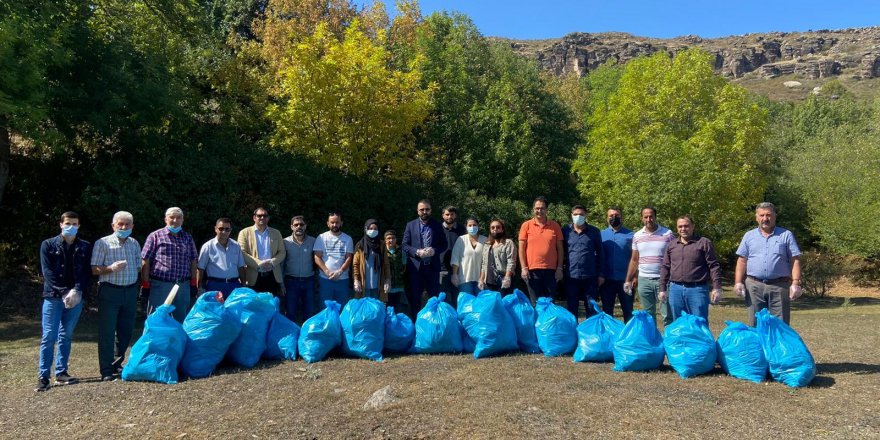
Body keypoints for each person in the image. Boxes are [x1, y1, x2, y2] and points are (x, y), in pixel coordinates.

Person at [36, 211, 91, 391]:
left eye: (75, 224)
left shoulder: (84, 246)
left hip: (75, 297)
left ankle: (61, 372)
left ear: (79, 226)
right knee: (48, 336)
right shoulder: (48, 245)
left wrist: (77, 290)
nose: (71, 227)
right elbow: (48, 273)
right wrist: (64, 291)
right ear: (60, 224)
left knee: (66, 335)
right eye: (68, 223)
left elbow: (85, 272)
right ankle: (43, 376)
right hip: (53, 297)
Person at [90, 211, 141, 381]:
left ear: (132, 226)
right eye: (120, 224)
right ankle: (106, 370)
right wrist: (110, 268)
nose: (124, 227)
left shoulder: (134, 243)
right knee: (107, 331)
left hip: (130, 291)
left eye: (127, 224)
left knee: (126, 331)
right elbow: (94, 268)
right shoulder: (102, 243)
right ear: (113, 225)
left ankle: (116, 364)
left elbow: (138, 265)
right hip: (109, 291)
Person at [734, 202, 803, 326]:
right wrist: (738, 282)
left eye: (768, 215)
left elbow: (795, 259)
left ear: (775, 216)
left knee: (780, 324)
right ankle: (758, 346)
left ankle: (776, 346)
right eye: (761, 215)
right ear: (756, 217)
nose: (765, 219)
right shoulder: (749, 236)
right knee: (755, 324)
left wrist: (796, 283)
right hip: (754, 286)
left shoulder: (786, 235)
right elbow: (742, 260)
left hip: (779, 286)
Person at [658, 216, 723, 321]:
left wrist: (717, 288)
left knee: (699, 322)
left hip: (697, 290)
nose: (683, 229)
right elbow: (665, 267)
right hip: (675, 289)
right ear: (677, 228)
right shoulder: (672, 245)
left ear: (693, 227)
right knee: (678, 324)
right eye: (680, 226)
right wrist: (662, 288)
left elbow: (714, 266)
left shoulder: (704, 243)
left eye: (686, 226)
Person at [141, 207, 198, 323]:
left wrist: (193, 283)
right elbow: (145, 261)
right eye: (172, 217)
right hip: (160, 285)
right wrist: (145, 284)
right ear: (165, 219)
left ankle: (178, 342)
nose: (175, 220)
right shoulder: (155, 236)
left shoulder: (187, 237)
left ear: (182, 220)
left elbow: (193, 260)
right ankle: (154, 342)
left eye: (179, 218)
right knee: (155, 320)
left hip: (182, 286)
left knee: (182, 321)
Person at [625, 206, 674, 327]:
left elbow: (674, 256)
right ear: (642, 219)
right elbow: (634, 259)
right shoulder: (637, 236)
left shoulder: (667, 234)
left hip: (664, 280)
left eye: (651, 216)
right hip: (644, 280)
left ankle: (668, 342)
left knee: (667, 314)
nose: (649, 219)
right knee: (648, 315)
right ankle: (653, 342)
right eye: (645, 217)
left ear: (655, 217)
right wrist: (628, 280)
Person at [402, 199, 449, 321]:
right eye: (422, 209)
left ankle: (433, 325)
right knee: (415, 300)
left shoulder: (437, 225)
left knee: (434, 299)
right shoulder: (410, 225)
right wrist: (417, 252)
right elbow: (404, 245)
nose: (424, 212)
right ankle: (416, 326)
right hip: (415, 270)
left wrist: (434, 250)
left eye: (427, 209)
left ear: (431, 210)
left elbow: (444, 244)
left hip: (432, 268)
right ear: (417, 211)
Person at [518, 196, 564, 304]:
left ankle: (548, 321)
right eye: (537, 208)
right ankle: (537, 321)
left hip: (551, 271)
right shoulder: (526, 225)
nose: (539, 211)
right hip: (532, 271)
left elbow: (560, 249)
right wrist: (523, 268)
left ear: (547, 210)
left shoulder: (555, 226)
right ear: (533, 209)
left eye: (542, 208)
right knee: (535, 303)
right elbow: (521, 249)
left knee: (550, 303)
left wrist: (560, 268)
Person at [562, 204, 604, 319]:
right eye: (575, 214)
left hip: (590, 276)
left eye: (581, 214)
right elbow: (560, 252)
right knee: (571, 309)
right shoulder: (565, 231)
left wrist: (601, 274)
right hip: (571, 276)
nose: (578, 217)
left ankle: (590, 335)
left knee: (591, 309)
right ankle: (573, 335)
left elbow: (600, 253)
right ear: (571, 215)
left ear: (586, 216)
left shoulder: (594, 231)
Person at [238, 207, 286, 298]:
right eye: (259, 216)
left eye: (265, 216)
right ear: (254, 218)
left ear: (268, 218)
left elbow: (282, 252)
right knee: (254, 308)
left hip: (273, 276)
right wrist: (259, 263)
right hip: (253, 276)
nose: (262, 218)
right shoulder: (244, 233)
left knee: (271, 307)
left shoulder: (276, 233)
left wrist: (272, 262)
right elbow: (242, 253)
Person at [197, 217, 246, 299]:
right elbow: (200, 268)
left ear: (230, 230)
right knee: (215, 311)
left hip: (234, 285)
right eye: (221, 228)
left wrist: (244, 285)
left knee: (233, 311)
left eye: (227, 229)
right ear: (215, 229)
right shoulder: (207, 246)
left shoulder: (236, 246)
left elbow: (241, 267)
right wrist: (199, 288)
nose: (224, 232)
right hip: (214, 285)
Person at [600, 207, 635, 322]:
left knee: (628, 311)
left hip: (626, 280)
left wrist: (634, 277)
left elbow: (636, 258)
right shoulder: (601, 235)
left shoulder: (631, 235)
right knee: (607, 311)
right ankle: (609, 337)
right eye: (611, 215)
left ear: (622, 217)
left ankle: (628, 338)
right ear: (607, 218)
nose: (614, 217)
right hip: (607, 280)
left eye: (617, 215)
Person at [313, 212, 354, 306]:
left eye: (337, 222)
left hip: (342, 279)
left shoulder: (348, 238)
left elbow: (349, 257)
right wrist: (327, 272)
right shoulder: (321, 237)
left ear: (341, 223)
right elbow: (317, 257)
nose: (335, 225)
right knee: (325, 308)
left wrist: (340, 272)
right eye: (332, 222)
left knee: (342, 307)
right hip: (325, 279)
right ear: (328, 223)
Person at [282, 215, 316, 323]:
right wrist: (281, 283)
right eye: (296, 225)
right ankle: (291, 336)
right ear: (291, 227)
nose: (299, 227)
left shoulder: (313, 241)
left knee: (309, 312)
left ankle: (307, 337)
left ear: (305, 226)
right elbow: (281, 264)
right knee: (290, 312)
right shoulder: (285, 242)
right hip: (291, 281)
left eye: (301, 224)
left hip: (309, 281)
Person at [352, 219, 390, 300]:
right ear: (366, 229)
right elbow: (355, 264)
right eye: (370, 228)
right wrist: (356, 280)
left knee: (377, 308)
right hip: (363, 284)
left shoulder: (382, 245)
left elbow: (386, 264)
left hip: (378, 284)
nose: (373, 231)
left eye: (375, 229)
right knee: (364, 309)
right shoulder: (360, 245)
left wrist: (387, 279)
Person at [451, 216, 488, 297]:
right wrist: (454, 274)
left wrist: (482, 279)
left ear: (478, 226)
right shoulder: (461, 239)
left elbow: (486, 261)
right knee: (467, 306)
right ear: (466, 226)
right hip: (464, 279)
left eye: (474, 225)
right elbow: (455, 258)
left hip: (481, 279)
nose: (472, 227)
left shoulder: (485, 240)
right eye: (470, 225)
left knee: (480, 306)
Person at [480, 218, 516, 295]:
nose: (495, 229)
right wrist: (481, 279)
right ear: (490, 230)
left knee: (503, 305)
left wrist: (507, 278)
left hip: (503, 281)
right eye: (492, 227)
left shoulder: (508, 243)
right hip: (488, 281)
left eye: (498, 227)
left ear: (502, 229)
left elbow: (511, 262)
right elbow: (484, 264)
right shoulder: (486, 245)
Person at [439, 206, 466, 305]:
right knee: (442, 299)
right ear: (443, 215)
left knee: (458, 299)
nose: (449, 216)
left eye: (452, 214)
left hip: (459, 270)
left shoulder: (462, 229)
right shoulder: (437, 229)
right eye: (447, 214)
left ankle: (457, 320)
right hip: (441, 270)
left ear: (455, 215)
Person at [383, 230, 406, 311]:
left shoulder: (401, 251)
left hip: (399, 287)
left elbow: (405, 266)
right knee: (386, 310)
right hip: (386, 287)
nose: (391, 240)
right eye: (388, 238)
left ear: (396, 239)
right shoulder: (382, 252)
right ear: (385, 240)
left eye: (393, 238)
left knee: (397, 309)